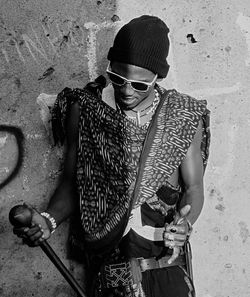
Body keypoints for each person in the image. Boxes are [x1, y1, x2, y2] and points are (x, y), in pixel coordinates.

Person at [13, 15, 210, 297]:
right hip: (109, 275)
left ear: (158, 77)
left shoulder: (181, 117)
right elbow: (72, 182)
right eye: (118, 78)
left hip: (166, 271)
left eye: (140, 85)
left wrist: (185, 224)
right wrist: (49, 220)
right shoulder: (87, 110)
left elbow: (193, 187)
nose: (127, 90)